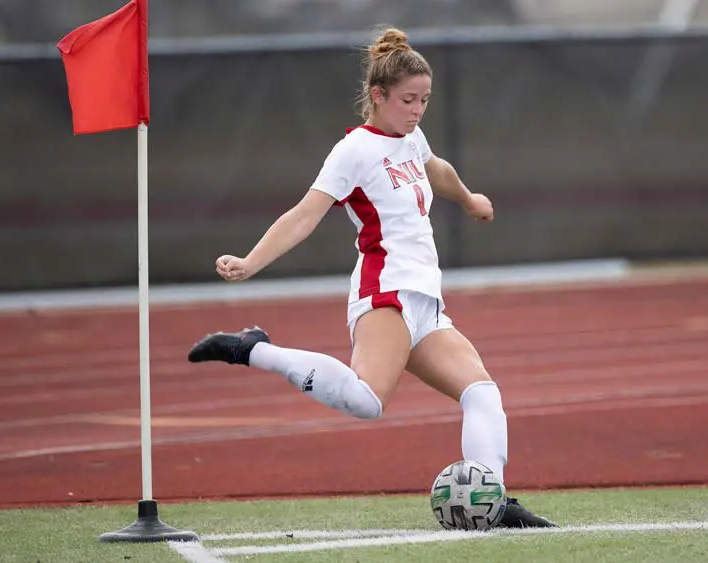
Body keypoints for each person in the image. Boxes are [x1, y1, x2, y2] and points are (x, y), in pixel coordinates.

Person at [187, 26, 556, 529]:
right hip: (385, 293)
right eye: (408, 100)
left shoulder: (411, 137)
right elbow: (304, 214)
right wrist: (251, 262)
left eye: (425, 100)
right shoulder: (354, 151)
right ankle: (253, 348)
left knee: (483, 393)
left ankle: (492, 501)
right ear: (378, 96)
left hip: (426, 301)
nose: (418, 109)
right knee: (366, 401)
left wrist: (468, 199)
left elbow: (437, 168)